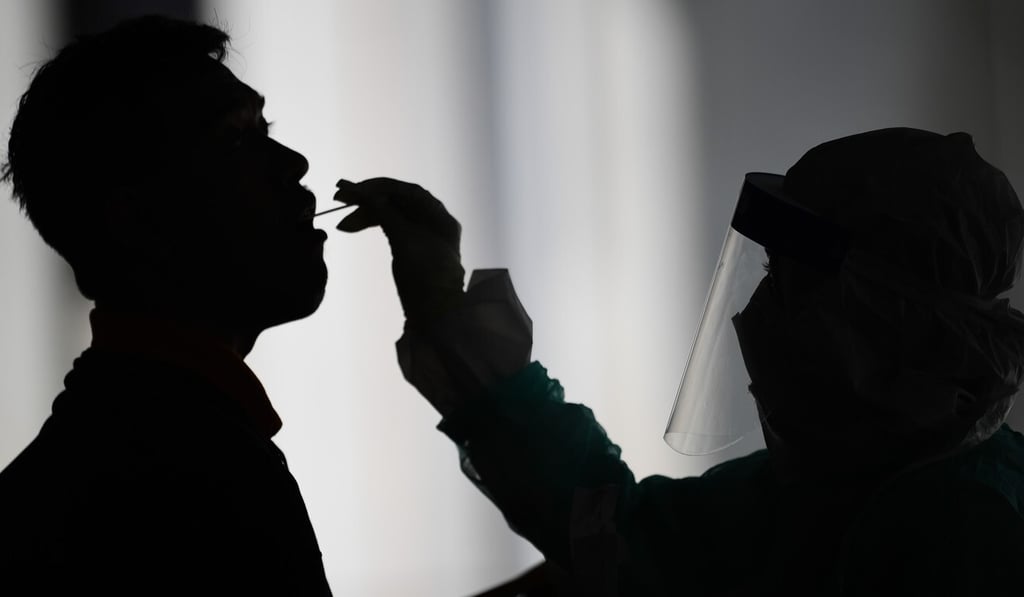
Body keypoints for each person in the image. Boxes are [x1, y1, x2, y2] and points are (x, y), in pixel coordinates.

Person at [338, 127, 1024, 595]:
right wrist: (442, 306)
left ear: (884, 324)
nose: (755, 314)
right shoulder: (823, 487)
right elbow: (619, 536)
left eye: (788, 284)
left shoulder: (975, 534)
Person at [0, 17, 332, 595]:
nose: (293, 162)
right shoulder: (188, 476)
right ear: (137, 217)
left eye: (265, 128)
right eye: (233, 138)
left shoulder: (113, 445)